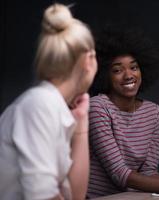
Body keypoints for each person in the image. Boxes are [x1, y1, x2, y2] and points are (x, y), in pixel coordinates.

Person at [0, 3, 97, 200]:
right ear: (89, 60)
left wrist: (81, 121)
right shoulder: (39, 105)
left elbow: (76, 196)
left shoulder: (53, 105)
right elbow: (41, 195)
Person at [87, 27, 159, 198]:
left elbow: (148, 172)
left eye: (134, 67)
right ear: (104, 75)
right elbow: (119, 173)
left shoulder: (155, 113)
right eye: (117, 70)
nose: (128, 75)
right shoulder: (98, 107)